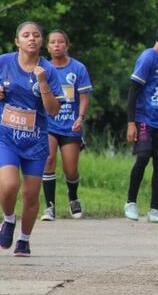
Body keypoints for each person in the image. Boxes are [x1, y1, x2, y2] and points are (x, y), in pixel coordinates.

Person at [0, 21, 64, 256]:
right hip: (6, 136)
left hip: (35, 141)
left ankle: (24, 239)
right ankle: (8, 219)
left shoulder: (49, 70)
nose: (31, 39)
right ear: (17, 41)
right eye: (26, 35)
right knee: (8, 186)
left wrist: (44, 83)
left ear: (41, 42)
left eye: (36, 35)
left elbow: (54, 110)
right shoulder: (4, 62)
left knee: (30, 194)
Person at [124, 20, 158, 223]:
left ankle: (154, 208)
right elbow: (133, 90)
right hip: (145, 120)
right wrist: (131, 122)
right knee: (143, 157)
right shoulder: (148, 58)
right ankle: (131, 202)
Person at [40, 30, 93, 221]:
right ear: (47, 46)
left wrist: (80, 117)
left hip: (71, 124)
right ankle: (49, 207)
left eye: (60, 42)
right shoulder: (42, 68)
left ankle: (73, 197)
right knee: (48, 160)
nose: (56, 45)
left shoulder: (78, 68)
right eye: (52, 42)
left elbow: (84, 97)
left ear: (67, 45)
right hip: (48, 123)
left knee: (70, 169)